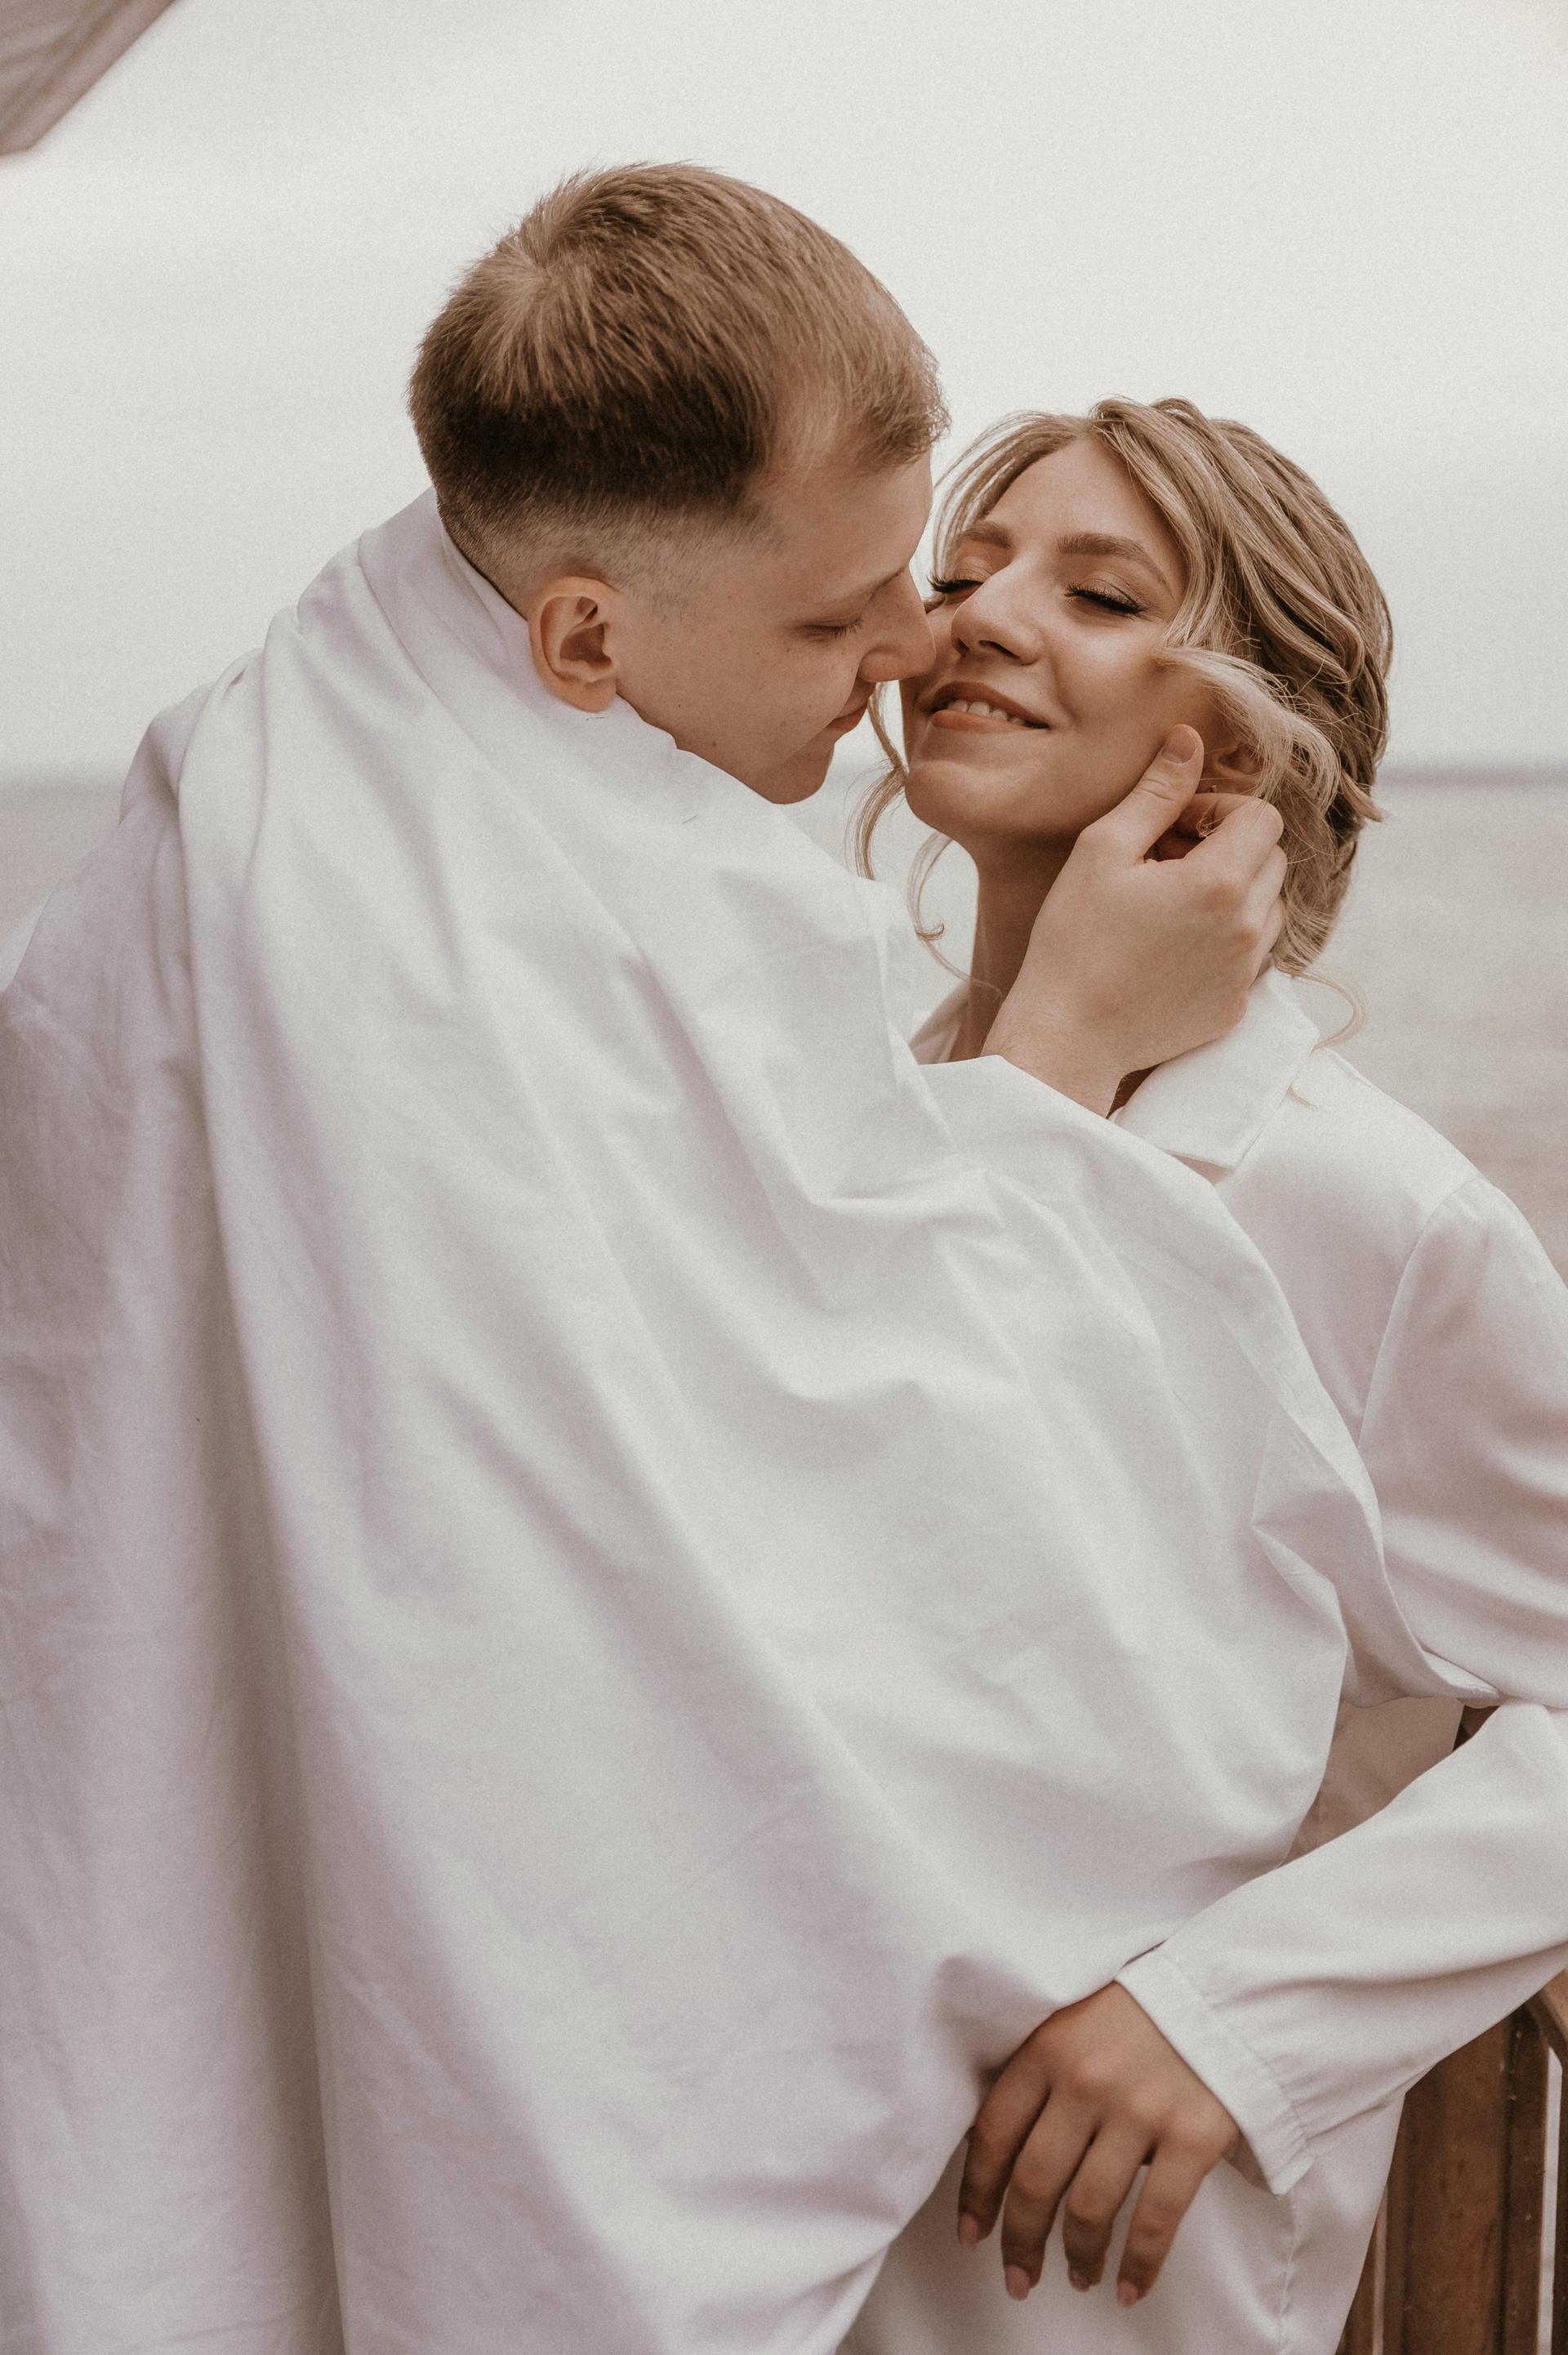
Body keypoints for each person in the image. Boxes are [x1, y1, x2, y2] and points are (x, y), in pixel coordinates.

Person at [845, 397, 1568, 2355]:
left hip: (1077, 2271)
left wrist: (1233, 2012)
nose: (982, 614)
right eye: (967, 567)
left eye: (1097, 593)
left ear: (1237, 748)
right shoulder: (853, 1115)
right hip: (756, 2215)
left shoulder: (1363, 1208)